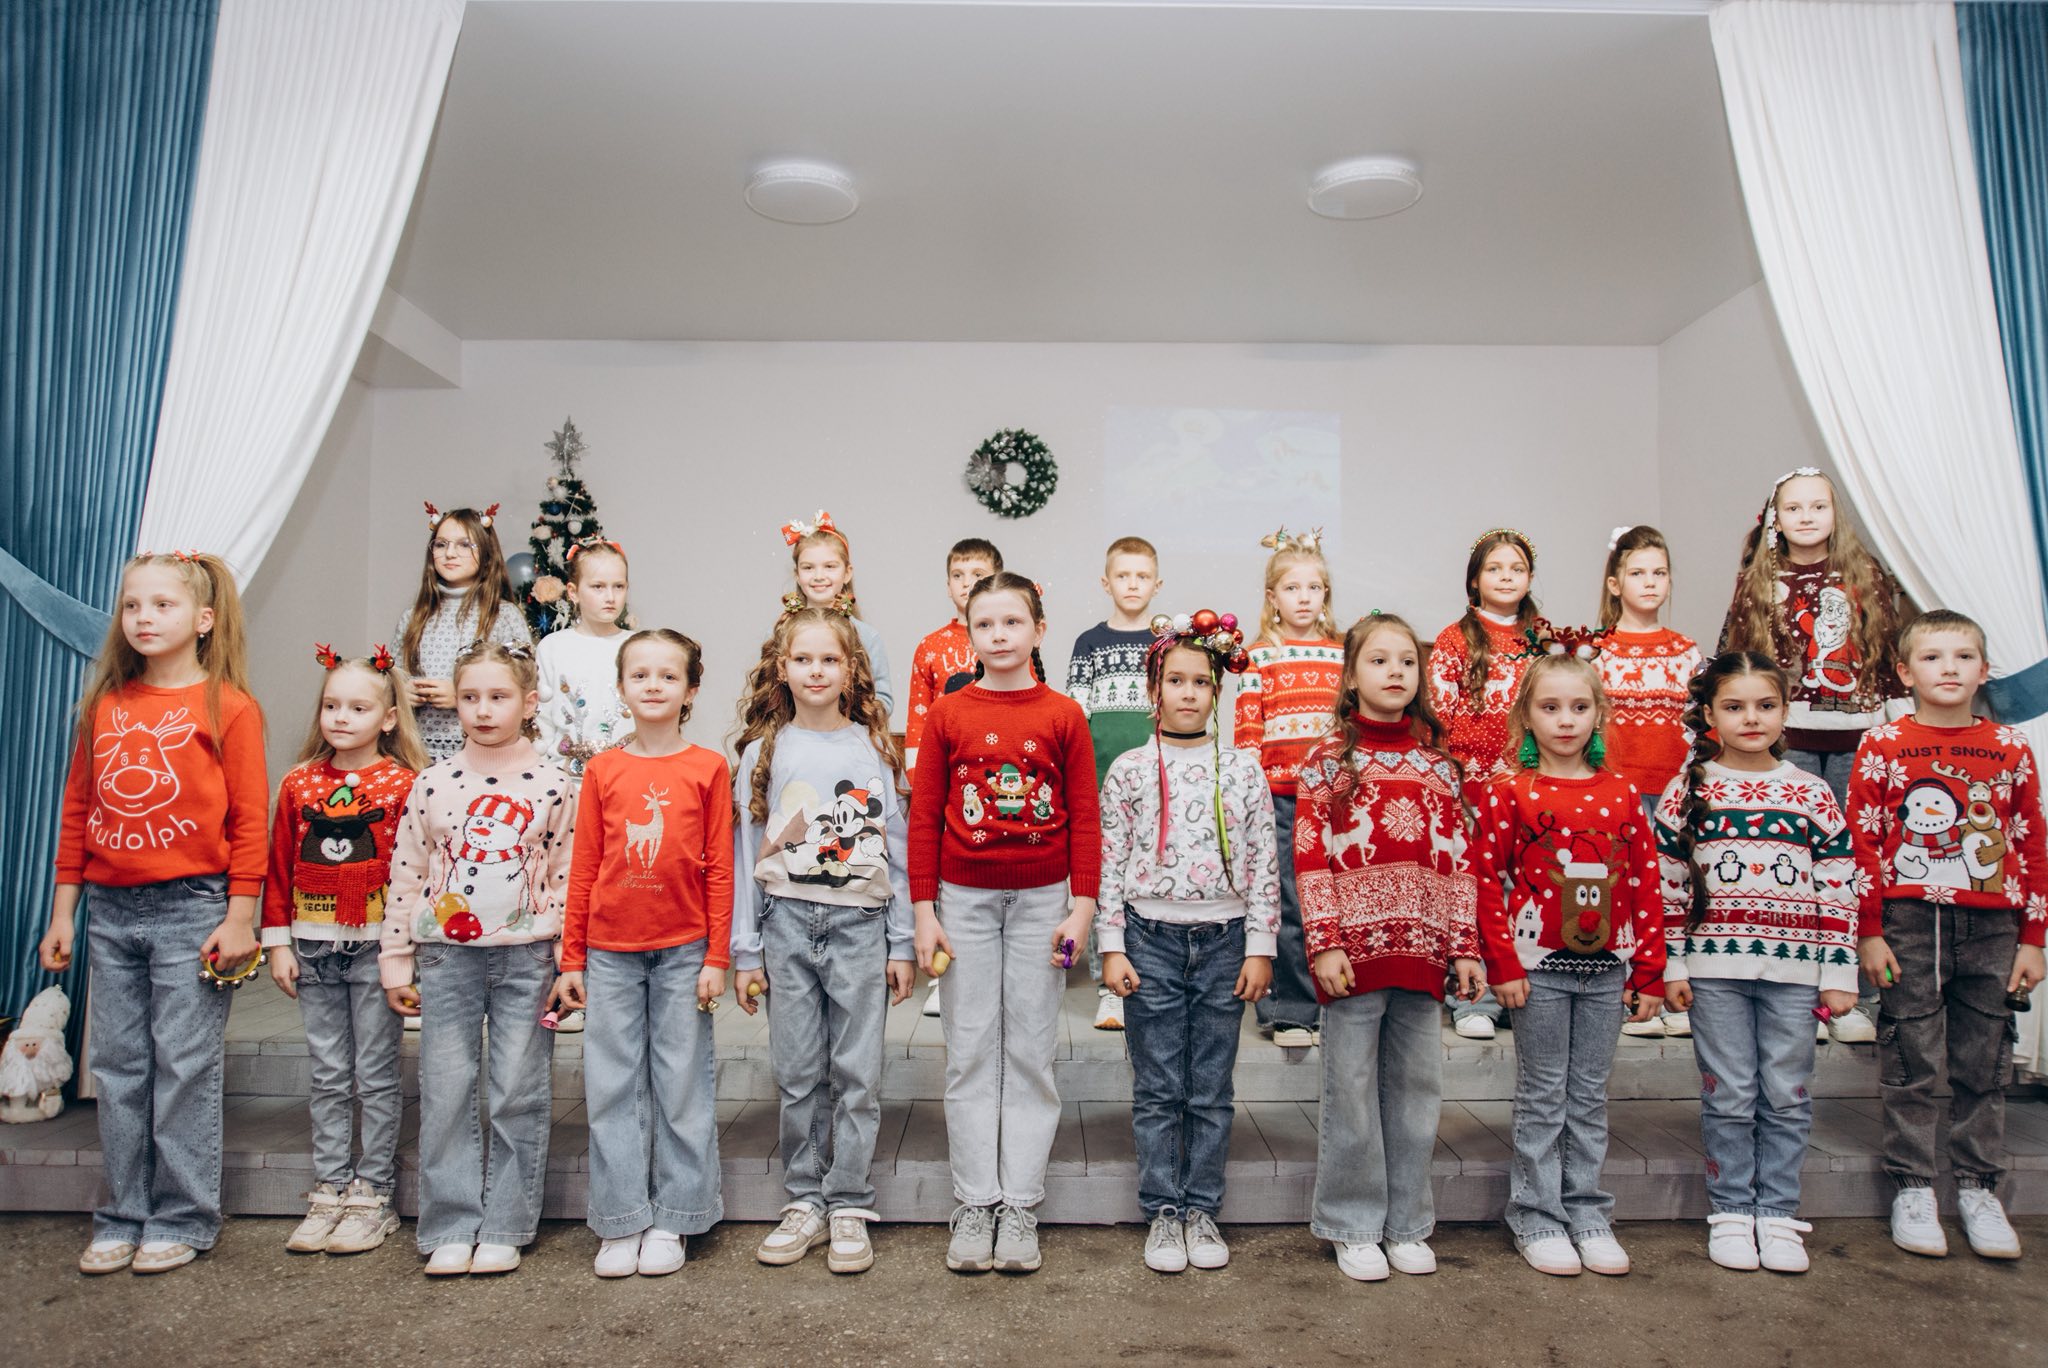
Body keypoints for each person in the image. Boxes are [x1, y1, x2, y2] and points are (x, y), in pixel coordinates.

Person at [41, 552, 266, 1277]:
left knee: (183, 1068)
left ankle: (182, 1216)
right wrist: (64, 913)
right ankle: (122, 1214)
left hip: (192, 909)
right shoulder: (104, 706)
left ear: (202, 619)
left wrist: (240, 916)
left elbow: (249, 822)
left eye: (162, 605)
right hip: (109, 911)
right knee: (119, 1067)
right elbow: (77, 813)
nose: (143, 618)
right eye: (133, 605)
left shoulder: (229, 706)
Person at [910, 572, 1100, 1276]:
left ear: (1038, 630)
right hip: (962, 903)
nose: (998, 635)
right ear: (968, 634)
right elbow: (924, 818)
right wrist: (924, 912)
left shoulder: (1064, 715)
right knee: (969, 1051)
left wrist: (1082, 907)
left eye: (1012, 622)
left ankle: (1019, 1203)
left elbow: (1086, 817)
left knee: (1028, 1052)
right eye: (984, 624)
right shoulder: (949, 715)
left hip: (1044, 903)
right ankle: (974, 1202)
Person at [1847, 609, 2046, 1261]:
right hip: (1908, 924)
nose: (1949, 668)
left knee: (1984, 1060)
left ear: (1983, 670)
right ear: (1906, 673)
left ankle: (1979, 1188)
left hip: (1993, 927)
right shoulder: (1882, 744)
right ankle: (1912, 1186)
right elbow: (1863, 842)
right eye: (1933, 657)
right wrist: (1869, 932)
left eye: (1963, 657)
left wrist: (2034, 937)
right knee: (1911, 1057)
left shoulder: (2011, 747)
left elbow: (2032, 844)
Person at [1654, 651, 1857, 1272]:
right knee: (1730, 1094)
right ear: (1710, 715)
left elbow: (1838, 885)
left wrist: (1839, 973)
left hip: (1795, 975)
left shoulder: (1812, 792)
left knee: (1787, 1095)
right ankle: (1732, 1212)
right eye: (1734, 707)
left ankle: (1778, 1214)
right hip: (1714, 972)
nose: (1751, 718)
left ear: (1785, 711)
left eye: (1765, 705)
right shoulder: (1686, 791)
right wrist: (1674, 966)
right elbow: (1666, 889)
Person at [1296, 613, 1481, 1283]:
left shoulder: (1441, 768)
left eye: (1406, 661)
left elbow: (1462, 862)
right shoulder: (1326, 762)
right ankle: (1352, 1224)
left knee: (1416, 1092)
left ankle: (1407, 1223)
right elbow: (1311, 859)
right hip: (1354, 956)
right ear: (1351, 676)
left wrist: (1464, 946)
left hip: (1424, 954)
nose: (1395, 671)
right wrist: (1325, 943)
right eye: (1378, 660)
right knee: (1350, 1093)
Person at [380, 641, 575, 1277]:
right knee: (446, 1090)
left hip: (527, 959)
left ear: (529, 702)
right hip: (447, 959)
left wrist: (569, 961)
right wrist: (396, 958)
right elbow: (406, 874)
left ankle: (507, 1223)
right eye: (470, 697)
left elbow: (568, 877)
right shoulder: (432, 782)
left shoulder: (555, 784)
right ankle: (450, 1223)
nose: (484, 710)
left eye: (499, 697)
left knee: (517, 1090)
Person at [732, 608, 915, 1274]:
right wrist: (746, 951)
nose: (816, 671)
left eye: (830, 660)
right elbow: (748, 850)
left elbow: (897, 850)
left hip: (860, 926)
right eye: (803, 660)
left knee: (857, 1075)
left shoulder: (876, 748)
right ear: (782, 669)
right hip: (785, 925)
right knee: (799, 1072)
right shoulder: (763, 752)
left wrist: (902, 943)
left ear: (851, 670)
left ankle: (849, 1202)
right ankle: (805, 1199)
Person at [1097, 611, 1277, 1274]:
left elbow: (1263, 861)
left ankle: (1201, 1209)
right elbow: (1109, 862)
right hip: (1148, 940)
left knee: (1209, 1087)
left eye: (1201, 681)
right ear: (1155, 688)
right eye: (1175, 680)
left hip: (1225, 942)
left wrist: (1260, 945)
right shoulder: (1129, 770)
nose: (1189, 692)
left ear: (1217, 690)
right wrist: (1111, 944)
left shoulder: (1245, 770)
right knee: (1158, 1085)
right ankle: (1162, 1212)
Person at [1472, 655, 1663, 1277]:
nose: (1565, 720)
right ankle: (1537, 1215)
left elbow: (1644, 883)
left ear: (1598, 714)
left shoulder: (1622, 792)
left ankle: (1586, 1212)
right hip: (1539, 973)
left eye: (1579, 707)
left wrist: (1650, 970)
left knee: (1587, 1096)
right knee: (1543, 1094)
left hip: (1608, 971)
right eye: (1550, 707)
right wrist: (1502, 963)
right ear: (1526, 716)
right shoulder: (1509, 791)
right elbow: (1485, 879)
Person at [554, 629, 729, 1278]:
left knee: (681, 1084)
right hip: (610, 952)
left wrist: (716, 956)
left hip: (684, 950)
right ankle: (621, 1218)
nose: (654, 685)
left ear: (691, 690)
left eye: (668, 675)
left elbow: (719, 868)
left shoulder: (708, 767)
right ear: (621, 688)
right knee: (613, 1086)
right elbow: (584, 867)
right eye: (640, 675)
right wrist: (572, 958)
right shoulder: (603, 769)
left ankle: (677, 1216)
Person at [1718, 467, 1911, 1044]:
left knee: (1855, 859)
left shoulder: (1865, 575)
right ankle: (1802, 990)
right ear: (1776, 518)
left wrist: (1898, 727)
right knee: (1793, 859)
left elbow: (1887, 654)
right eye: (1794, 507)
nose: (1806, 517)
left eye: (1818, 506)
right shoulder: (1758, 580)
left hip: (1858, 741)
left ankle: (1856, 996)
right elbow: (1735, 654)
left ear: (1835, 514)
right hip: (1789, 741)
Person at [264, 644, 428, 1255]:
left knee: (376, 1073)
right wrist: (277, 942)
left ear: (388, 718)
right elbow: (279, 866)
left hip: (376, 949)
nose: (342, 717)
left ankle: (372, 1193)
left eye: (359, 708)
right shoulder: (299, 783)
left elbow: (414, 873)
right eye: (332, 705)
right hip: (312, 946)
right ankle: (329, 1187)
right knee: (330, 1073)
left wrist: (405, 952)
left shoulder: (406, 784)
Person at [1432, 527, 1552, 1041]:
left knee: (1523, 891)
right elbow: (1437, 719)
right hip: (1469, 791)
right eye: (1495, 568)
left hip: (1528, 788)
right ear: (1474, 580)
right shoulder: (1454, 639)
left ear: (1530, 578)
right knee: (1472, 893)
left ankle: (1523, 990)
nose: (1506, 577)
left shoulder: (1544, 640)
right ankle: (1471, 999)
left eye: (1516, 569)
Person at [1233, 527, 1343, 1049]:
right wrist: (1251, 801)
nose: (1304, 598)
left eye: (1313, 588)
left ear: (1326, 595)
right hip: (1280, 799)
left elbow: (1350, 728)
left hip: (1335, 799)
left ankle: (1338, 1001)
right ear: (1272, 597)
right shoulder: (1258, 657)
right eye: (1292, 588)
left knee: (1334, 899)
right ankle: (1290, 1011)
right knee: (1289, 903)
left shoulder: (1343, 655)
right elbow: (1247, 734)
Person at [1594, 525, 1702, 1039]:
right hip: (1619, 790)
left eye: (1659, 572)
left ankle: (1671, 988)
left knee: (1671, 891)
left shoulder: (1686, 652)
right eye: (1638, 573)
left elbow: (1700, 726)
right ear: (1615, 584)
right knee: (1621, 890)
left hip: (1675, 791)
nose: (1650, 582)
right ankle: (1629, 995)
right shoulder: (1599, 652)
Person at [1069, 536, 1167, 1030]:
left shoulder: (1166, 643)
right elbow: (1076, 717)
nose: (1132, 585)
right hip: (1100, 784)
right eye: (1123, 576)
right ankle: (1109, 989)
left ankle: (1146, 979)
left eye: (1142, 576)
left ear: (1157, 584)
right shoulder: (1089, 643)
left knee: (1145, 880)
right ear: (1106, 583)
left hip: (1155, 785)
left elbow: (1177, 710)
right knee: (1103, 882)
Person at [907, 537, 1003, 1017]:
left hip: (999, 778)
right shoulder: (932, 647)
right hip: (948, 777)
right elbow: (919, 717)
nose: (967, 584)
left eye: (978, 575)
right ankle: (943, 971)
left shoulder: (1009, 637)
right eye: (959, 576)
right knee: (948, 875)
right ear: (948, 585)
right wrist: (919, 776)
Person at [395, 502, 531, 762]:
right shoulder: (413, 616)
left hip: (483, 752)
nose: (450, 553)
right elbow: (393, 679)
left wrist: (463, 696)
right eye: (441, 545)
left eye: (464, 545)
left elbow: (523, 683)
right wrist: (403, 693)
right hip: (416, 753)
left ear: (487, 553)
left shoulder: (503, 615)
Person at [778, 509, 893, 716]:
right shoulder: (780, 633)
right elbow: (767, 694)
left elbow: (883, 701)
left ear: (847, 573)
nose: (819, 576)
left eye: (830, 566)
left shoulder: (867, 637)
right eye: (808, 568)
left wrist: (842, 720)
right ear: (797, 574)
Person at [535, 539, 633, 777]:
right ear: (573, 592)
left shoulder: (637, 646)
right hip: (566, 776)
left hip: (627, 774)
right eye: (598, 587)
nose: (610, 597)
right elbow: (542, 718)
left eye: (618, 586)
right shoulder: (553, 647)